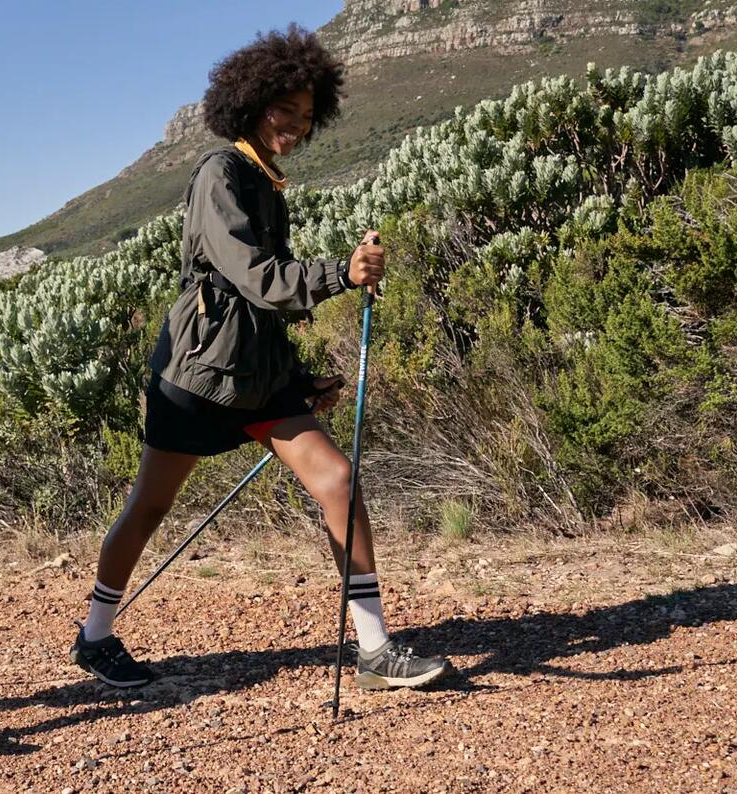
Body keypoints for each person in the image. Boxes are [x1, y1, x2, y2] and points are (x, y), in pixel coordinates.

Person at [70, 26, 453, 692]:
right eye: (285, 111)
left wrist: (299, 379)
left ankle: (373, 648)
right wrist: (343, 272)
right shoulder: (220, 172)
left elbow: (258, 307)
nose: (296, 126)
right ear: (250, 103)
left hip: (259, 379)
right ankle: (95, 638)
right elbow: (253, 276)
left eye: (306, 117)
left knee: (337, 481)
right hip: (195, 378)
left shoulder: (265, 181)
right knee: (149, 508)